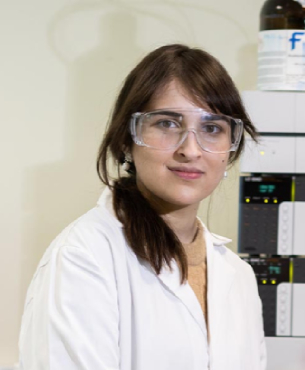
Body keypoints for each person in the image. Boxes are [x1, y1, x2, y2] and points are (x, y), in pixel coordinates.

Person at [18, 44, 266, 370]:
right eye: (167, 123)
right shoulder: (84, 256)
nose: (190, 150)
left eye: (212, 128)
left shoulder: (238, 275)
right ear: (126, 139)